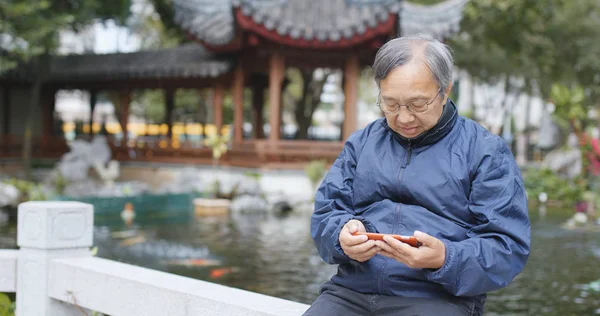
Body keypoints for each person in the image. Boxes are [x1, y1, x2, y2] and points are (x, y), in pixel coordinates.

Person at [306, 34, 531, 316]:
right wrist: (341, 236)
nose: (404, 118)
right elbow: (326, 213)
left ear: (445, 90)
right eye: (390, 104)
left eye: (417, 104)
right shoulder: (362, 143)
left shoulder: (486, 152)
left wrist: (445, 258)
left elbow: (507, 247)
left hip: (437, 298)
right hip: (351, 292)